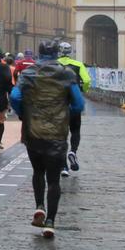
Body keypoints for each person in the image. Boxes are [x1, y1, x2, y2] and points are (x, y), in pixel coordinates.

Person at [10, 41, 85, 239]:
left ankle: (39, 206)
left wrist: (24, 113)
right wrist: (64, 114)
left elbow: (15, 97)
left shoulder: (28, 73)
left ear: (39, 53)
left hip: (33, 130)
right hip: (57, 134)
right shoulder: (67, 74)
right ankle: (50, 222)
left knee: (38, 171)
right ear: (56, 53)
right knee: (54, 180)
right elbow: (79, 104)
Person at [55, 41, 91, 176]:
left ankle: (63, 167)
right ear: (70, 52)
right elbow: (87, 80)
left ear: (59, 51)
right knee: (75, 130)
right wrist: (83, 90)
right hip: (74, 102)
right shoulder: (78, 64)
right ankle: (73, 151)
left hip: (58, 104)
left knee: (60, 136)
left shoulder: (53, 65)